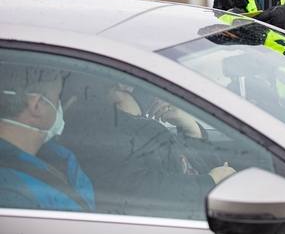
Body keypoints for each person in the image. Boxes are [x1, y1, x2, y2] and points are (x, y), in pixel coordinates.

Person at [59, 81, 235, 218]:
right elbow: (134, 187)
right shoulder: (100, 129)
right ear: (124, 85)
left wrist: (192, 131)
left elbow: (202, 169)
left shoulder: (136, 126)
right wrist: (207, 183)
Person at [0, 64, 95, 211]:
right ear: (37, 106)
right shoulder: (12, 195)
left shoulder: (53, 156)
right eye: (58, 97)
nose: (59, 106)